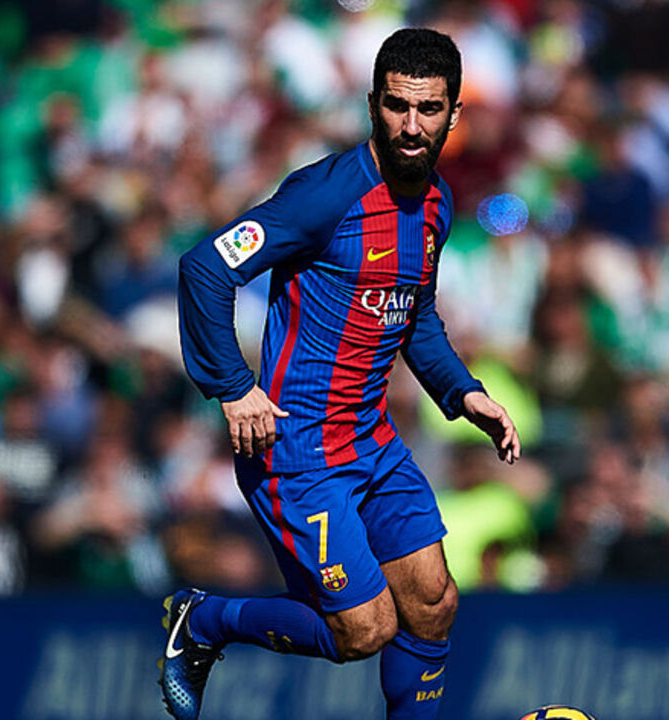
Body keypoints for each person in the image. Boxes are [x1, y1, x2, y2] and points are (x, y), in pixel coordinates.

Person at [166, 28, 520, 720]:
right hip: (297, 453)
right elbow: (205, 267)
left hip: (372, 443)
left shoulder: (437, 207)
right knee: (366, 630)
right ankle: (202, 622)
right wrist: (234, 388)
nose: (411, 126)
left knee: (433, 603)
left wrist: (463, 391)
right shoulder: (324, 197)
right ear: (372, 105)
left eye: (428, 109)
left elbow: (412, 314)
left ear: (454, 115)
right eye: (396, 106)